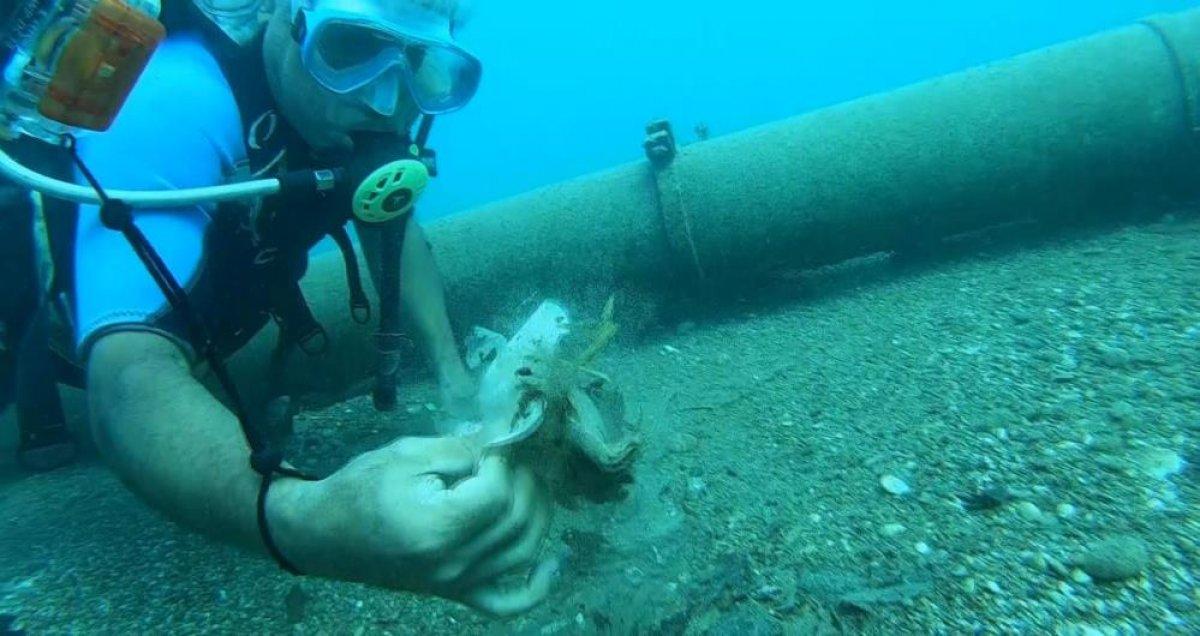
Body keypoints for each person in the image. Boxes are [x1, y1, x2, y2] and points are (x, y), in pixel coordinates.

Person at [35, 0, 555, 616]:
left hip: (217, 323)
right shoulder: (177, 98)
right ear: (282, 16)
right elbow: (127, 376)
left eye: (421, 65)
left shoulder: (351, 119)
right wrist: (304, 518)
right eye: (351, 49)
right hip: (56, 342)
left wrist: (454, 377)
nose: (389, 102)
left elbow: (390, 222)